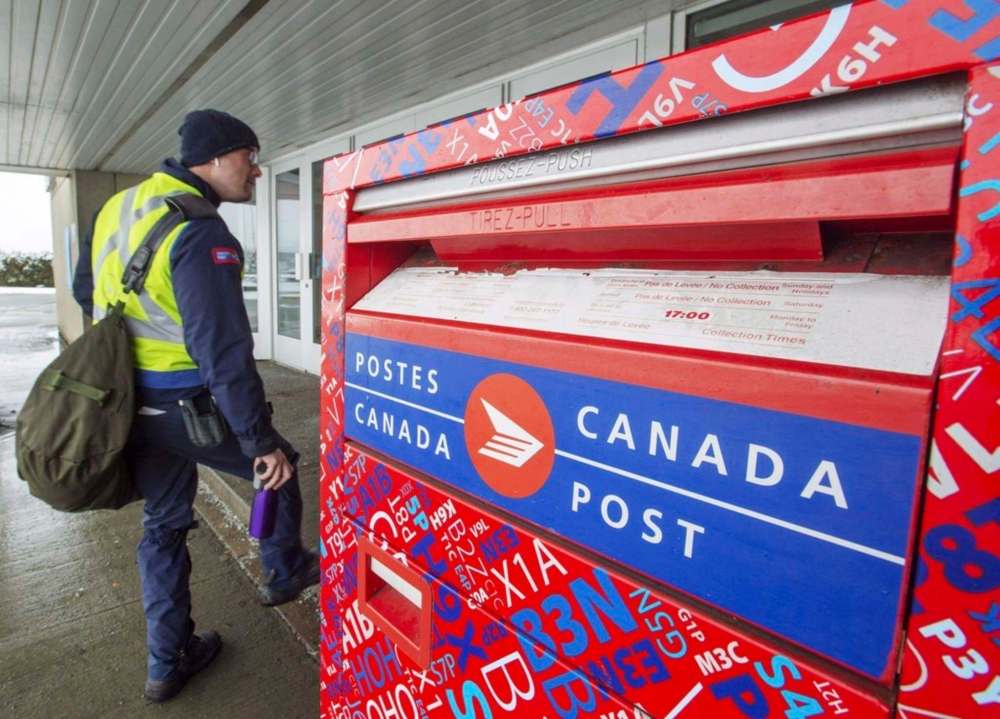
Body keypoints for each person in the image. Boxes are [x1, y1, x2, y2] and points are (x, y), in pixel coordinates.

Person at [73, 109, 318, 703]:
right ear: (211, 161)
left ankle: (168, 659)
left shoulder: (121, 206)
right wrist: (258, 440)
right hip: (185, 402)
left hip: (130, 403)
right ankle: (284, 573)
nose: (256, 171)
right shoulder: (201, 230)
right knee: (278, 473)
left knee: (162, 525)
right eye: (248, 157)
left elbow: (86, 290)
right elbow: (224, 353)